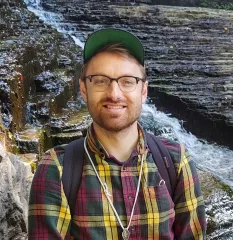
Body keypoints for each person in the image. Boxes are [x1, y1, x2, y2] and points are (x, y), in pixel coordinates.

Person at [28, 28, 206, 239]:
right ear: (84, 89)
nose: (114, 94)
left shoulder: (176, 163)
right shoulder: (56, 169)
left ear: (144, 91)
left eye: (127, 81)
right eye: (101, 81)